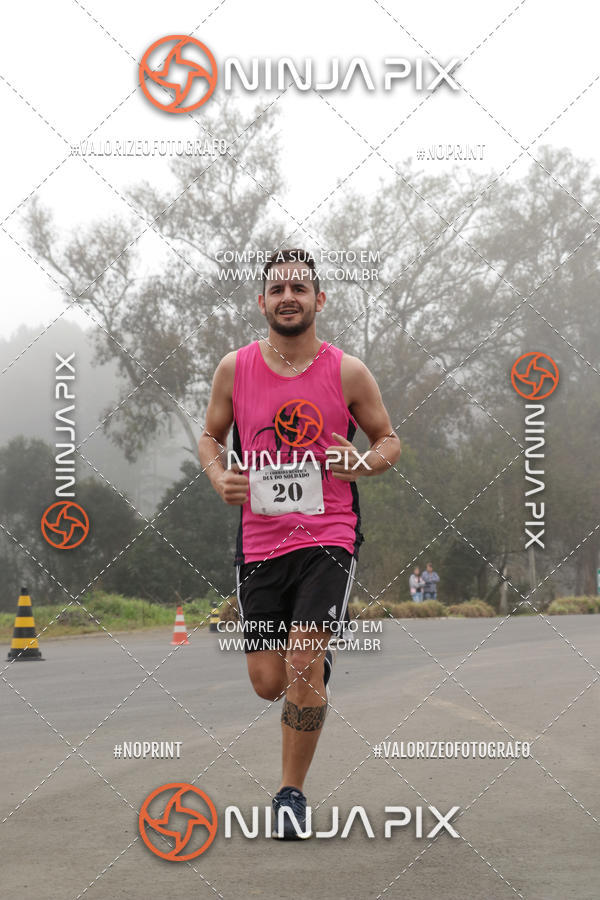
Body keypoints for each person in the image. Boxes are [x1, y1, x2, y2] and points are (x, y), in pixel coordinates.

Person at [197, 248, 401, 839]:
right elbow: (209, 436)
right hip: (260, 543)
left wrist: (361, 462)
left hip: (329, 535)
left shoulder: (347, 372)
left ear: (319, 300)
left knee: (303, 663)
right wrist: (218, 475)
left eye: (300, 288)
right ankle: (308, 663)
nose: (289, 297)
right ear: (262, 302)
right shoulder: (234, 368)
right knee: (269, 683)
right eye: (278, 289)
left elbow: (388, 440)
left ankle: (291, 794)